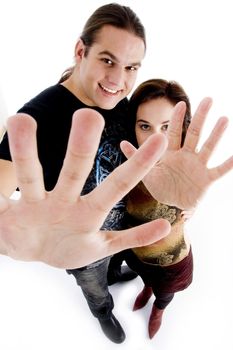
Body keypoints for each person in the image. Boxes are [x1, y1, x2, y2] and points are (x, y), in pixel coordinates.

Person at [0, 2, 232, 345]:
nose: (118, 80)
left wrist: (181, 204)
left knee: (118, 263)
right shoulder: (39, 118)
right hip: (79, 244)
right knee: (95, 285)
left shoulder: (117, 101)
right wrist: (16, 240)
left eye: (131, 67)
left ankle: (116, 272)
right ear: (81, 50)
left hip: (126, 230)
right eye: (107, 60)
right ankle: (103, 312)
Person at [124, 78, 193, 339]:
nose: (156, 139)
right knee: (146, 278)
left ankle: (158, 309)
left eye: (167, 127)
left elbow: (196, 187)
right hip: (137, 252)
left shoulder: (188, 168)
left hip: (171, 260)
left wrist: (194, 205)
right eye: (145, 126)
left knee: (165, 294)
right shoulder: (125, 166)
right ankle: (146, 288)